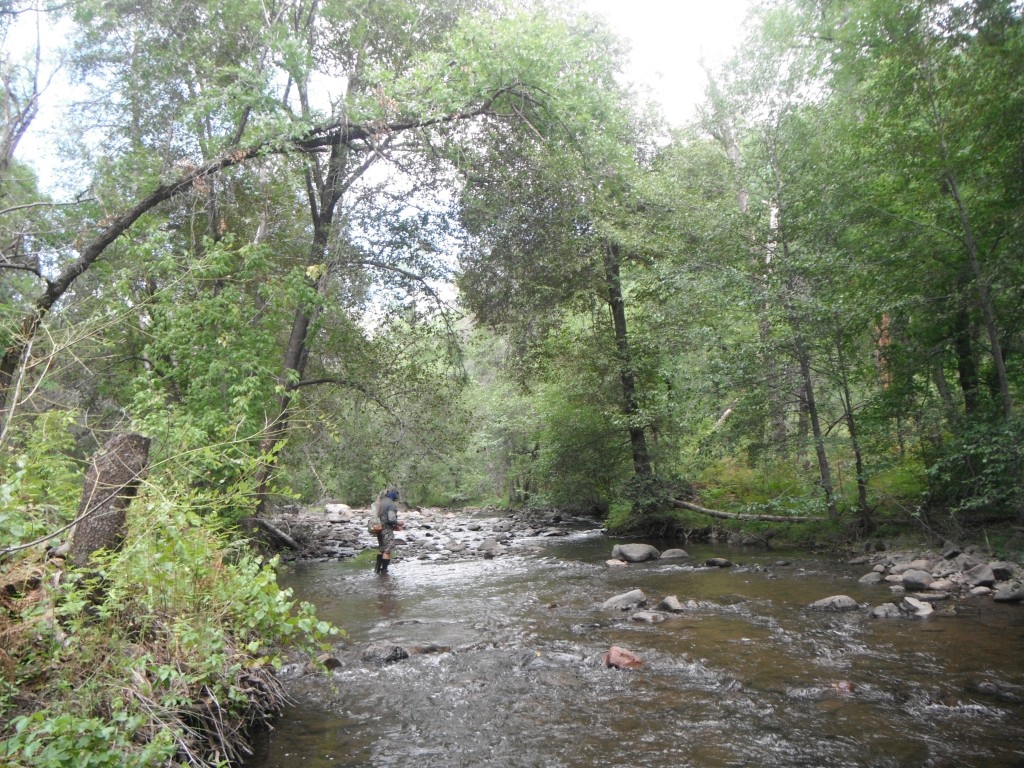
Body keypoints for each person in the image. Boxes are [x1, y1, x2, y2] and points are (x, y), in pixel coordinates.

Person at [374, 486, 403, 574]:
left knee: (382, 549)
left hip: (378, 528)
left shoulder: (380, 502)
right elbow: (391, 518)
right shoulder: (391, 504)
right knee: (387, 550)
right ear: (393, 494)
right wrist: (399, 523)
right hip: (386, 529)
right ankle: (384, 571)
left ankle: (377, 569)